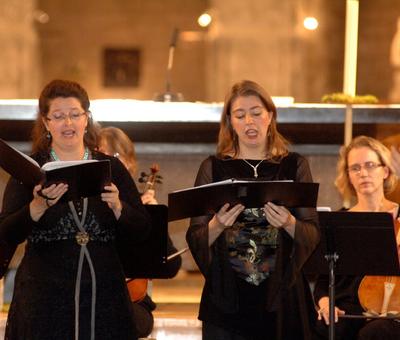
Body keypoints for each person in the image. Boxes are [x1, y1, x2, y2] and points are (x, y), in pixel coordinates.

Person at [0, 79, 151, 339]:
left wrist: (118, 207)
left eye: (74, 115)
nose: (67, 123)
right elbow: (5, 233)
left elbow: (144, 229)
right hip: (44, 300)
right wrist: (36, 208)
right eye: (58, 116)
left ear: (86, 118)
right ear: (46, 123)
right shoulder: (29, 171)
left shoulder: (112, 168)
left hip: (104, 297)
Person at [186, 80, 320, 340]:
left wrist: (289, 223)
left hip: (281, 298)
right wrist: (218, 225)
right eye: (240, 115)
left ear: (270, 116)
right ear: (230, 122)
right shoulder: (213, 168)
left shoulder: (294, 165)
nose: (249, 121)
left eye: (256, 113)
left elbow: (313, 234)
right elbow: (195, 236)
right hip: (228, 300)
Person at [98, 126, 182, 338]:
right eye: (101, 155)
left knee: (121, 318)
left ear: (131, 163)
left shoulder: (141, 208)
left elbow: (171, 266)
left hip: (133, 304)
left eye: (116, 156)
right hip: (94, 296)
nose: (110, 162)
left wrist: (153, 221)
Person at [313, 135, 400, 340]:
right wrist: (326, 303)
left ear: (385, 171)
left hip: (392, 307)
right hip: (347, 310)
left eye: (370, 165)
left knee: (376, 333)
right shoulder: (339, 220)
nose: (363, 173)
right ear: (349, 176)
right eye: (355, 168)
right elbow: (322, 282)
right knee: (324, 327)